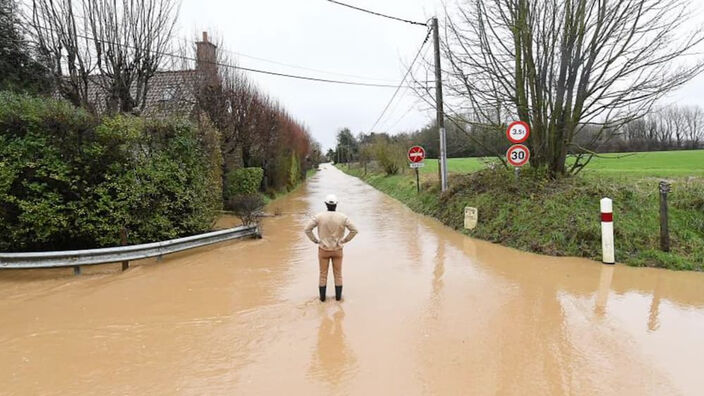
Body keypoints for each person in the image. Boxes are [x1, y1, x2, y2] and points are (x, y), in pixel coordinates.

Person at [304, 194, 358, 301]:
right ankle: (338, 299)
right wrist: (344, 240)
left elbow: (307, 229)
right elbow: (354, 230)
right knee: (338, 275)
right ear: (336, 205)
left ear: (326, 204)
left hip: (323, 249)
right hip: (338, 249)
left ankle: (322, 300)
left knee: (323, 275)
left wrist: (316, 241)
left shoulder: (319, 216)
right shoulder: (343, 217)